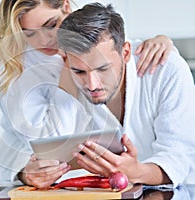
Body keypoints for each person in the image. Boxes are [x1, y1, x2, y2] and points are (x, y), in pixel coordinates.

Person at [0, 0, 176, 186]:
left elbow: (113, 46)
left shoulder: (85, 43)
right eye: (29, 33)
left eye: (50, 25)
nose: (45, 40)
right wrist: (67, 75)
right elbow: (52, 148)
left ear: (66, 6)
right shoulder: (15, 70)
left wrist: (162, 41)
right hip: (25, 176)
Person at [56, 2, 195, 188]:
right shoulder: (62, 83)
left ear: (126, 52)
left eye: (103, 69)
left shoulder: (167, 69)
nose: (92, 85)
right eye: (80, 72)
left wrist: (137, 172)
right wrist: (33, 172)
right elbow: (46, 149)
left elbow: (178, 157)